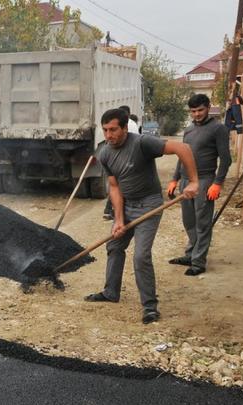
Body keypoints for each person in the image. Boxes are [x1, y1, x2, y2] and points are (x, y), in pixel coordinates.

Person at [85, 108, 199, 324]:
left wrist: (193, 181)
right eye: (105, 130)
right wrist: (118, 220)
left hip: (149, 205)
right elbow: (114, 187)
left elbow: (182, 148)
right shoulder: (105, 154)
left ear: (125, 127)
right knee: (114, 246)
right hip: (126, 205)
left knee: (141, 256)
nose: (109, 135)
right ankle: (111, 292)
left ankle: (150, 307)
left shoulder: (142, 143)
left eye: (113, 130)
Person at [167, 94, 232, 276]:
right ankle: (190, 254)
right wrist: (175, 179)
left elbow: (226, 160)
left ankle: (198, 262)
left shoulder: (218, 129)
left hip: (205, 181)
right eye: (193, 111)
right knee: (189, 221)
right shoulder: (188, 130)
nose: (196, 114)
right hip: (186, 181)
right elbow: (182, 156)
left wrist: (217, 183)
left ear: (208, 107)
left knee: (203, 223)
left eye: (200, 110)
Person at [103, 105, 141, 220]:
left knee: (116, 184)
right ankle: (114, 211)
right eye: (105, 130)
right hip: (126, 159)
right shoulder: (132, 124)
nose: (109, 133)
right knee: (116, 185)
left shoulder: (129, 125)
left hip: (124, 159)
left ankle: (110, 211)